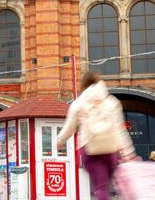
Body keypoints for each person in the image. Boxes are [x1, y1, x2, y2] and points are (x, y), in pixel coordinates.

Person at [57, 71, 135, 200]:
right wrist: (128, 153)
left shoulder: (79, 103)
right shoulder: (111, 102)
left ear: (84, 85)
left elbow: (69, 127)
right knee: (107, 185)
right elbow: (120, 130)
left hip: (90, 148)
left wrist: (59, 141)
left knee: (100, 186)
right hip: (110, 148)